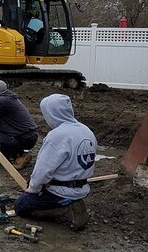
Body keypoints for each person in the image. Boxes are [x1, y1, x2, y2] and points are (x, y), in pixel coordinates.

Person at [13, 94, 96, 230]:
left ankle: (65, 209)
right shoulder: (86, 130)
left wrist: (32, 190)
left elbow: (43, 171)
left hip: (61, 192)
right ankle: (71, 203)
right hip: (81, 188)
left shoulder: (58, 136)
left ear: (51, 113)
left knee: (21, 205)